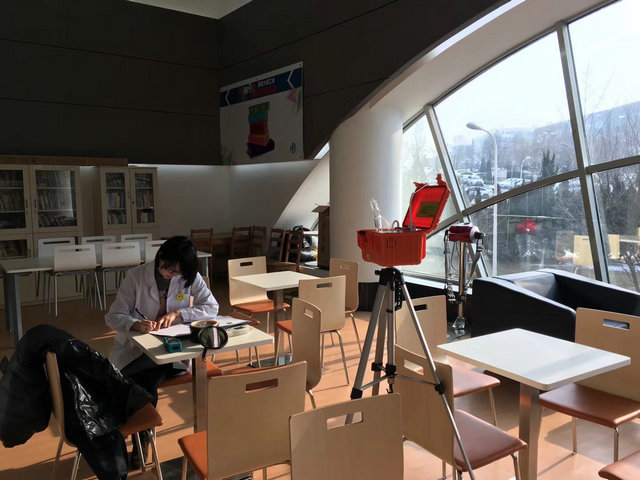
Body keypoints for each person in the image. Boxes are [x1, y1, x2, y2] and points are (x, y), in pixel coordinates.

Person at [105, 235, 218, 467]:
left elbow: (211, 307)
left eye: (178, 272)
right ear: (160, 258)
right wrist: (133, 323)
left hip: (173, 350)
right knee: (144, 379)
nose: (172, 275)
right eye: (168, 269)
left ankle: (131, 436)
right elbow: (113, 316)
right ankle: (140, 437)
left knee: (134, 380)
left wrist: (179, 314)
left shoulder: (189, 277)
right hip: (137, 349)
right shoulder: (136, 277)